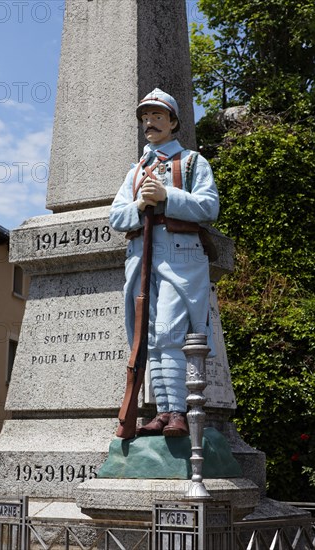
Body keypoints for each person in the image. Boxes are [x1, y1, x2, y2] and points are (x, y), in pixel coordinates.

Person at [110, 88, 219, 437]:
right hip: (142, 256)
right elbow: (116, 217)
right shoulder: (136, 170)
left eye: (157, 116)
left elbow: (208, 207)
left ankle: (178, 413)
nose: (149, 123)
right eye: (145, 117)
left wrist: (166, 197)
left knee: (170, 332)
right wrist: (141, 205)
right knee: (149, 338)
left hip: (179, 255)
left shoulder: (191, 162)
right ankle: (162, 411)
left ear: (172, 122)